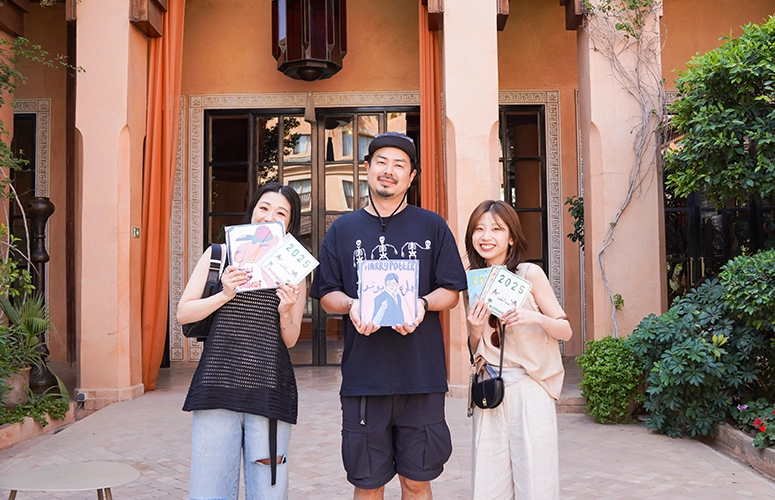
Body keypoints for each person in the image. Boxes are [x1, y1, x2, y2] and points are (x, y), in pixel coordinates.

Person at [310, 132, 467, 500]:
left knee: (417, 482)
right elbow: (327, 295)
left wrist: (422, 303)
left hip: (421, 377)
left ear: (411, 177)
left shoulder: (432, 226)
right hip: (365, 379)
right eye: (381, 162)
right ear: (367, 168)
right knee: (367, 485)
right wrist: (352, 305)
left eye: (399, 165)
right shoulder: (342, 229)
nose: (389, 171)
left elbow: (451, 292)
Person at [177, 182, 307, 500]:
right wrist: (224, 294)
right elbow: (183, 313)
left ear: (289, 224)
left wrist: (285, 311)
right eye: (264, 207)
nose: (269, 217)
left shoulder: (294, 268)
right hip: (216, 387)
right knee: (209, 492)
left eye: (281, 213)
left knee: (269, 492)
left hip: (270, 392)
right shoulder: (218, 255)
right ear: (252, 211)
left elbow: (290, 340)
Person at [465, 200, 572, 500]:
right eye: (479, 229)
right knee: (488, 484)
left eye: (496, 229)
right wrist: (474, 329)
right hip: (490, 390)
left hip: (530, 389)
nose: (486, 236)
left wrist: (534, 317)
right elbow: (476, 349)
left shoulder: (528, 274)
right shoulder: (474, 280)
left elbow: (565, 329)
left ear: (511, 237)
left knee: (536, 482)